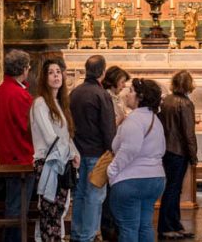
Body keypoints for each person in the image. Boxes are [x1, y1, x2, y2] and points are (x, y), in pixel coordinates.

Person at [108, 78, 167, 242]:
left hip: (131, 181)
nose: (127, 94)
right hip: (155, 179)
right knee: (145, 225)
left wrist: (111, 171)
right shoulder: (156, 120)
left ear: (140, 96)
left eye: (132, 91)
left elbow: (129, 149)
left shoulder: (134, 119)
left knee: (128, 227)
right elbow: (161, 149)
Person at [31, 58, 81, 241]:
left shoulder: (60, 104)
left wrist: (75, 154)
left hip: (62, 163)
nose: (55, 76)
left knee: (58, 211)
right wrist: (69, 153)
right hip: (48, 163)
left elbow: (67, 135)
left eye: (58, 72)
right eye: (51, 73)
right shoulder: (41, 103)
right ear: (44, 78)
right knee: (49, 212)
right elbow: (50, 136)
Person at [70, 55, 117, 242]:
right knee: (95, 197)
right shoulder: (101, 94)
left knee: (80, 195)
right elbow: (108, 127)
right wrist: (111, 150)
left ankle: (76, 233)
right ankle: (87, 236)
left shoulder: (74, 92)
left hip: (77, 152)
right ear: (103, 73)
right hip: (97, 153)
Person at [0, 49, 35, 242]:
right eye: (28, 67)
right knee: (17, 209)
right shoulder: (19, 94)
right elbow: (28, 127)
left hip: (8, 153)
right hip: (21, 156)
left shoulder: (2, 89)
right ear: (24, 69)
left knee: (14, 206)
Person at [158, 70, 198, 240]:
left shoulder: (165, 100)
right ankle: (167, 226)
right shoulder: (185, 104)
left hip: (165, 150)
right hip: (179, 151)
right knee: (173, 190)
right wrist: (193, 155)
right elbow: (188, 133)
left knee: (172, 189)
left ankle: (175, 224)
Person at [100, 65, 131, 241]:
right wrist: (123, 119)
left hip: (118, 147)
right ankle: (108, 225)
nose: (123, 86)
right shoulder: (107, 98)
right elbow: (110, 123)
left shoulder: (116, 98)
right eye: (121, 82)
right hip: (110, 148)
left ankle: (114, 223)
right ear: (113, 81)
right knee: (109, 190)